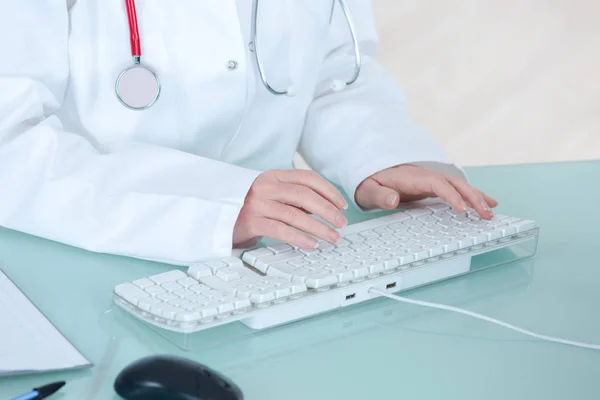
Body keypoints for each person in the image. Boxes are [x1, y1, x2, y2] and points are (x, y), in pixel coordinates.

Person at [0, 0, 496, 266]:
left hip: (279, 252)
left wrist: (378, 153)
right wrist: (212, 204)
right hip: (74, 247)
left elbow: (332, 72)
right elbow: (10, 147)